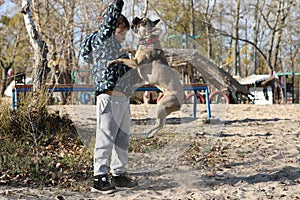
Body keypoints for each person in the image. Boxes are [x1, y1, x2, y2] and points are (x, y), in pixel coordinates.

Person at [80, 0, 139, 194]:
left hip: (123, 99)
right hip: (108, 97)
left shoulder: (118, 50)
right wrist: (118, 3)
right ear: (114, 28)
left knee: (123, 138)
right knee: (105, 137)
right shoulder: (102, 38)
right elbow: (109, 21)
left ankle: (118, 174)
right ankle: (99, 177)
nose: (124, 36)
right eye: (122, 31)